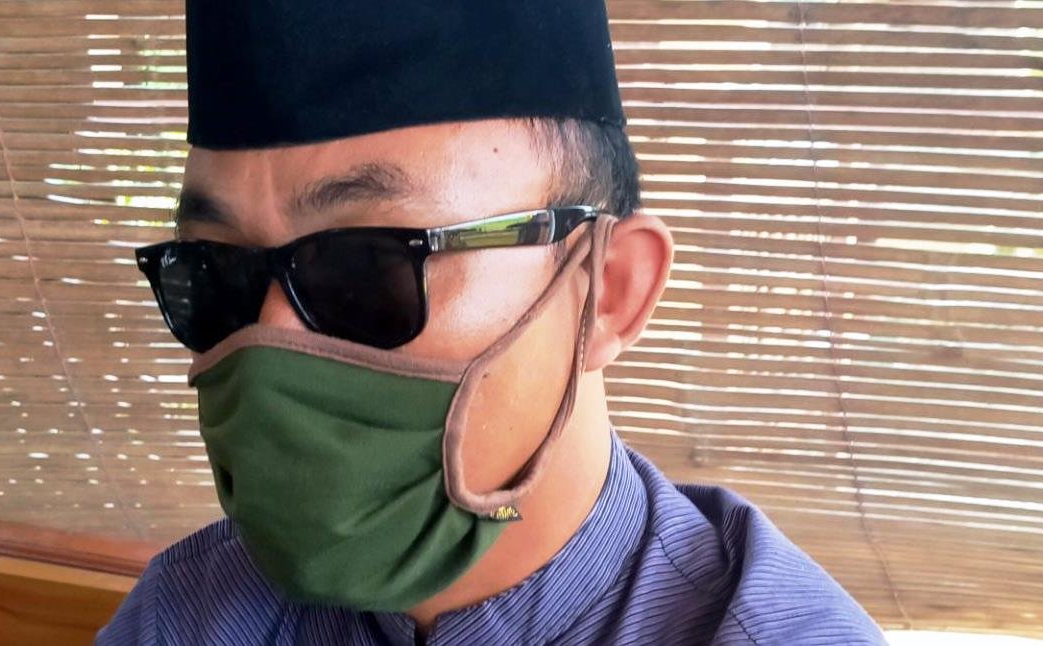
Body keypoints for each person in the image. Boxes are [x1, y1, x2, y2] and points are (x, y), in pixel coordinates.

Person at [98, 1, 887, 644]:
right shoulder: (186, 615)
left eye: (365, 266)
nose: (270, 342)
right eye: (215, 272)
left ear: (608, 290)